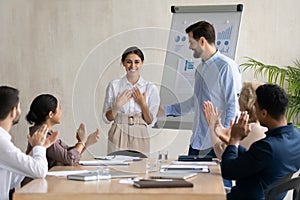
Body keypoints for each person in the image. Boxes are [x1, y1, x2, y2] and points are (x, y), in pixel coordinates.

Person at [157, 21, 242, 156]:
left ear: (202, 41)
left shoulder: (226, 67)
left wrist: (225, 138)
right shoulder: (200, 69)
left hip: (217, 144)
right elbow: (195, 102)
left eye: (191, 42)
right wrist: (166, 110)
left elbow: (233, 105)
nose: (190, 47)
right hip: (197, 142)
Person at [220, 84, 300, 200]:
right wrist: (232, 144)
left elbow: (227, 171)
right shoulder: (297, 138)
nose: (254, 110)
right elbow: (256, 159)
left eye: (255, 106)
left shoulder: (267, 147)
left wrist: (234, 139)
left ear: (264, 113)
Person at [0, 86, 58, 200]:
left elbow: (13, 180)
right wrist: (38, 147)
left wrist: (38, 148)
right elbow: (40, 171)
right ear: (13, 111)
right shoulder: (1, 142)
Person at [102, 46, 160, 154]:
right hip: (118, 130)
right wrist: (117, 106)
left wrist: (143, 104)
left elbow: (150, 121)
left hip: (140, 132)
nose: (133, 66)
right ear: (123, 63)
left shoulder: (150, 87)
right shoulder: (114, 85)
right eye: (128, 62)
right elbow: (107, 118)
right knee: (116, 169)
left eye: (137, 62)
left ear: (142, 63)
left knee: (139, 168)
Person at [25, 94, 100, 169]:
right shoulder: (42, 136)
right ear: (51, 114)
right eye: (59, 108)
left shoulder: (45, 132)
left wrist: (85, 143)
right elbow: (69, 158)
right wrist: (82, 142)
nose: (61, 112)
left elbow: (68, 153)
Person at [203, 81, 266, 160]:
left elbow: (222, 152)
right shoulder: (262, 129)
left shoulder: (252, 129)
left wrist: (213, 126)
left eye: (239, 95)